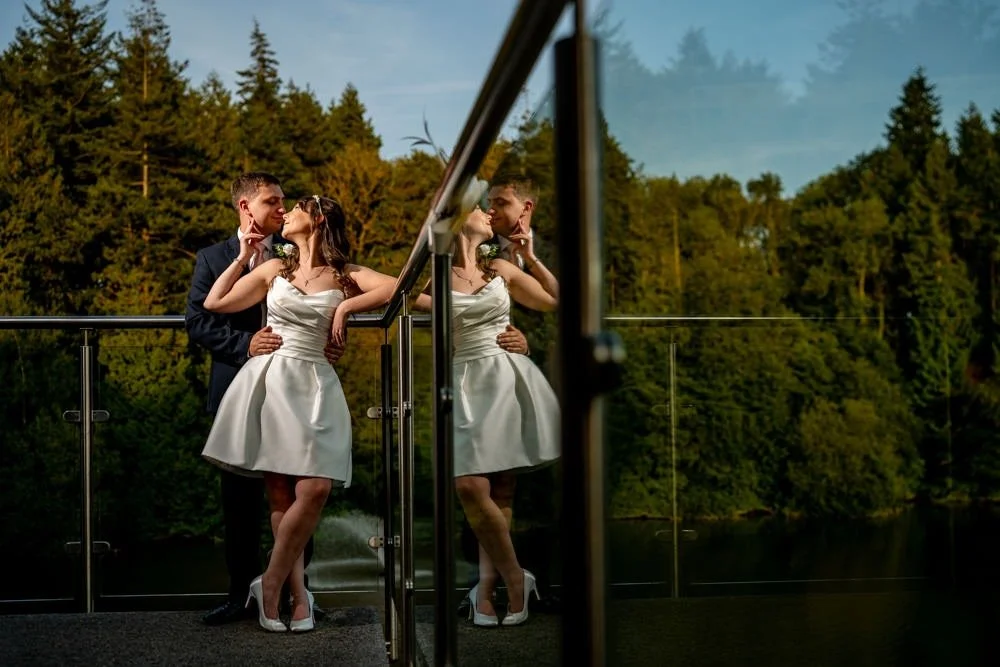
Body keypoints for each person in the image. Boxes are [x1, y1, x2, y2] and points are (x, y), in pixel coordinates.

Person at [200, 193, 395, 632]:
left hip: (318, 386)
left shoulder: (345, 275)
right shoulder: (275, 268)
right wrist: (245, 256)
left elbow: (399, 286)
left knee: (316, 488)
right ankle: (297, 597)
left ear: (319, 217)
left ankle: (268, 585)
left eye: (296, 209)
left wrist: (347, 307)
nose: (286, 215)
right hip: (273, 382)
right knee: (281, 496)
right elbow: (215, 303)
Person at [185, 172, 338, 626]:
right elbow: (198, 321)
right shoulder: (213, 258)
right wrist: (245, 346)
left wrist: (329, 327)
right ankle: (238, 595)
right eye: (271, 201)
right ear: (245, 207)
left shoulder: (297, 256)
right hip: (236, 387)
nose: (279, 208)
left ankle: (297, 593)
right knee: (238, 504)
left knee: (294, 496)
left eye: (283, 202)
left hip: (292, 394)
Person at [415, 206, 560, 627]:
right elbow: (402, 298)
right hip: (463, 381)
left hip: (504, 375)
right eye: (481, 207)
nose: (490, 212)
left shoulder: (500, 266)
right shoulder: (438, 276)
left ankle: (487, 590)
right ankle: (517, 579)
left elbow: (553, 301)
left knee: (502, 489)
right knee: (468, 484)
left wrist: (529, 256)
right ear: (459, 218)